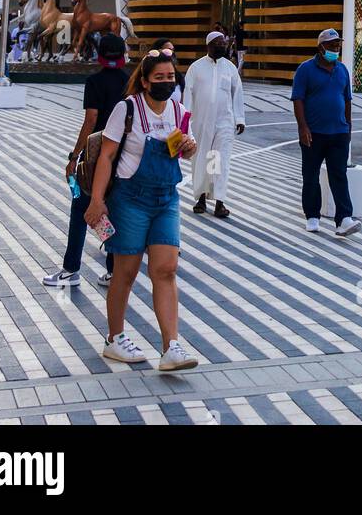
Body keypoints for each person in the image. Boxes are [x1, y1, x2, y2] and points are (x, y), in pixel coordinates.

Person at [83, 49, 198, 370]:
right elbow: (106, 156)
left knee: (166, 270)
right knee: (126, 272)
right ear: (145, 81)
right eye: (159, 78)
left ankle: (171, 347)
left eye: (170, 77)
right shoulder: (128, 109)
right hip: (129, 200)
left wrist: (189, 147)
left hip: (166, 200)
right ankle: (115, 339)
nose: (165, 83)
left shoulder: (178, 111)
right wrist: (97, 200)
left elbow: (180, 151)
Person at [42, 33, 129, 290]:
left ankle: (71, 269)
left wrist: (74, 155)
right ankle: (113, 271)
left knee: (81, 207)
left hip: (96, 155)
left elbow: (91, 120)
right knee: (111, 210)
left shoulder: (94, 81)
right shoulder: (129, 81)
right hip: (122, 155)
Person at [290, 28, 361, 237]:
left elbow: (347, 100)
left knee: (339, 174)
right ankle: (312, 216)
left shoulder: (342, 70)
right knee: (310, 175)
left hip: (338, 132)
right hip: (314, 133)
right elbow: (298, 100)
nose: (335, 48)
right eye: (331, 45)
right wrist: (303, 127)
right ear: (320, 47)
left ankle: (344, 219)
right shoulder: (305, 69)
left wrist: (348, 128)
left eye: (337, 45)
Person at [183, 30, 245, 218]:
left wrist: (240, 119)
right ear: (208, 45)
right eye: (218, 43)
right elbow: (188, 94)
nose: (223, 45)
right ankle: (201, 197)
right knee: (202, 159)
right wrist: (185, 121)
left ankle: (219, 201)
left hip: (224, 122)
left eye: (224, 43)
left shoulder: (230, 68)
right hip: (200, 122)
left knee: (219, 159)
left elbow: (237, 93)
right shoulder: (196, 67)